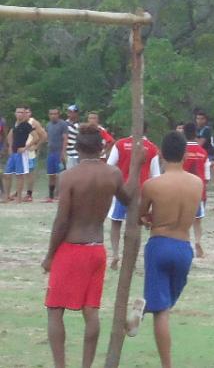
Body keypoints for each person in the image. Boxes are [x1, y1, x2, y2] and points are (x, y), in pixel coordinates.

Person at [42, 124, 144, 368]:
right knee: (91, 311)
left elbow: (62, 220)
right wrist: (136, 167)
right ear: (102, 147)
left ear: (77, 148)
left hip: (71, 248)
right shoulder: (113, 174)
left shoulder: (69, 177)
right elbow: (129, 199)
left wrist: (49, 255)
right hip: (96, 249)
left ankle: (61, 365)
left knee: (55, 309)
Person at [130, 131, 203, 368]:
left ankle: (166, 365)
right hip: (183, 246)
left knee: (161, 311)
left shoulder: (152, 185)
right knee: (166, 303)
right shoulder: (197, 183)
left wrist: (148, 219)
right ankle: (142, 310)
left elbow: (140, 215)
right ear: (185, 153)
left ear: (160, 153)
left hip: (160, 243)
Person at [107, 122, 161, 270]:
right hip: (142, 192)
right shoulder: (152, 148)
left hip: (121, 189)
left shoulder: (120, 144)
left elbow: (109, 167)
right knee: (136, 224)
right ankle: (132, 258)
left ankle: (115, 253)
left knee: (116, 222)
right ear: (147, 130)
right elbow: (155, 175)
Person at [182, 123, 210, 257]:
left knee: (183, 220)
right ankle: (198, 241)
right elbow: (207, 176)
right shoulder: (202, 152)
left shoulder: (181, 151)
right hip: (198, 191)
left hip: (182, 190)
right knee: (197, 220)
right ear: (195, 134)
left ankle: (187, 244)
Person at [2, 107, 35, 203]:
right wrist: (9, 147)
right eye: (18, 112)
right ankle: (6, 197)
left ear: (25, 114)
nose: (20, 114)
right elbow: (9, 136)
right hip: (13, 153)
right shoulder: (15, 124)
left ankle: (19, 198)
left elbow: (36, 137)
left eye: (22, 112)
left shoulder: (26, 125)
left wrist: (26, 147)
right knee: (7, 174)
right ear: (15, 114)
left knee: (19, 175)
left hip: (21, 153)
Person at [44, 109, 69, 203]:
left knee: (61, 174)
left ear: (58, 115)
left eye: (55, 114)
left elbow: (65, 139)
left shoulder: (63, 124)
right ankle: (51, 195)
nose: (53, 115)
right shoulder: (48, 125)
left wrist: (63, 152)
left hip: (59, 153)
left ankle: (60, 194)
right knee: (51, 174)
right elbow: (46, 137)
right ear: (49, 115)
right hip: (50, 153)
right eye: (51, 114)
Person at [23, 106, 47, 202]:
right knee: (21, 172)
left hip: (29, 152)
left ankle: (29, 194)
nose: (26, 114)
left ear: (30, 113)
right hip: (21, 151)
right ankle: (19, 192)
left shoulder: (33, 123)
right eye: (24, 112)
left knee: (30, 173)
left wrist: (36, 147)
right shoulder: (20, 122)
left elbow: (44, 135)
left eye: (28, 112)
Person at [65, 105, 80, 169]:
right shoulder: (65, 123)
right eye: (68, 112)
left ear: (76, 113)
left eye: (71, 112)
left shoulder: (79, 125)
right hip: (67, 154)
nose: (69, 113)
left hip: (76, 153)